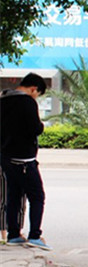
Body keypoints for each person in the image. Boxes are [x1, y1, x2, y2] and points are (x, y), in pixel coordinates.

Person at [0, 73, 51, 250]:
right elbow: (35, 128)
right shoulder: (27, 102)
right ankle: (35, 235)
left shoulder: (3, 99)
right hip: (24, 158)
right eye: (37, 94)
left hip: (6, 157)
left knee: (13, 195)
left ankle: (13, 234)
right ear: (34, 89)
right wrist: (41, 126)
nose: (36, 97)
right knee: (37, 196)